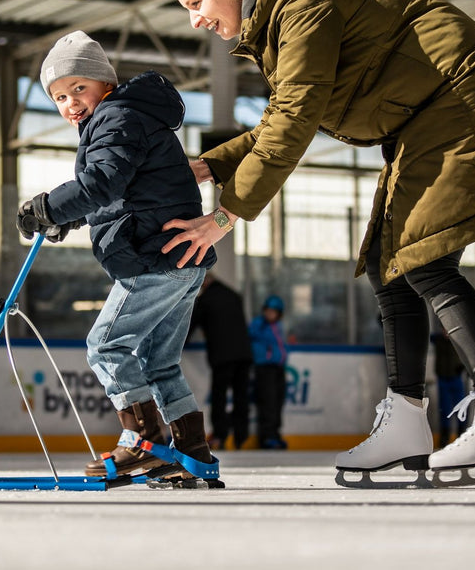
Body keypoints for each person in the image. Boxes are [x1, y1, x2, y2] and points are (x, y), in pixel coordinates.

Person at [159, 0, 475, 475]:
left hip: (462, 98)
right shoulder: (280, 17)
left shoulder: (302, 5)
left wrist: (225, 216)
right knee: (389, 262)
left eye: (197, 3)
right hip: (428, 117)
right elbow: (284, 115)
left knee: (423, 259)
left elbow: (295, 119)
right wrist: (210, 165)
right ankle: (407, 419)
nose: (195, 20)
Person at [16, 30, 219, 485]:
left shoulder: (116, 118)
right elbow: (123, 196)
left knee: (106, 345)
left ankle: (142, 442)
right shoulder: (128, 118)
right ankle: (191, 453)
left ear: (104, 84)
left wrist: (48, 207)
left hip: (153, 260)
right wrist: (69, 218)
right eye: (59, 97)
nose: (70, 103)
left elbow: (104, 184)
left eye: (78, 89)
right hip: (179, 261)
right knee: (158, 362)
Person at [188, 275, 252, 450]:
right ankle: (241, 436)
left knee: (220, 396)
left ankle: (220, 435)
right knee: (241, 396)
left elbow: (190, 325)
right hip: (244, 353)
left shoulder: (206, 299)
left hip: (222, 355)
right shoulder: (233, 294)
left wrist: (178, 344)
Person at [248, 294, 289, 449]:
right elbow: (250, 339)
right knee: (268, 403)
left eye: (274, 312)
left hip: (278, 367)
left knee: (278, 402)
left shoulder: (278, 326)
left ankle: (275, 434)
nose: (271, 314)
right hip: (264, 368)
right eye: (269, 311)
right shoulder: (258, 324)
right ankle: (266, 436)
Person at [431, 327, 467, 449]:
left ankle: (463, 436)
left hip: (456, 379)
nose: (446, 332)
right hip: (443, 379)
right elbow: (420, 333)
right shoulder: (437, 339)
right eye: (444, 330)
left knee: (461, 408)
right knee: (445, 410)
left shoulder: (458, 339)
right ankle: (444, 439)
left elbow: (468, 352)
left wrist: (464, 367)